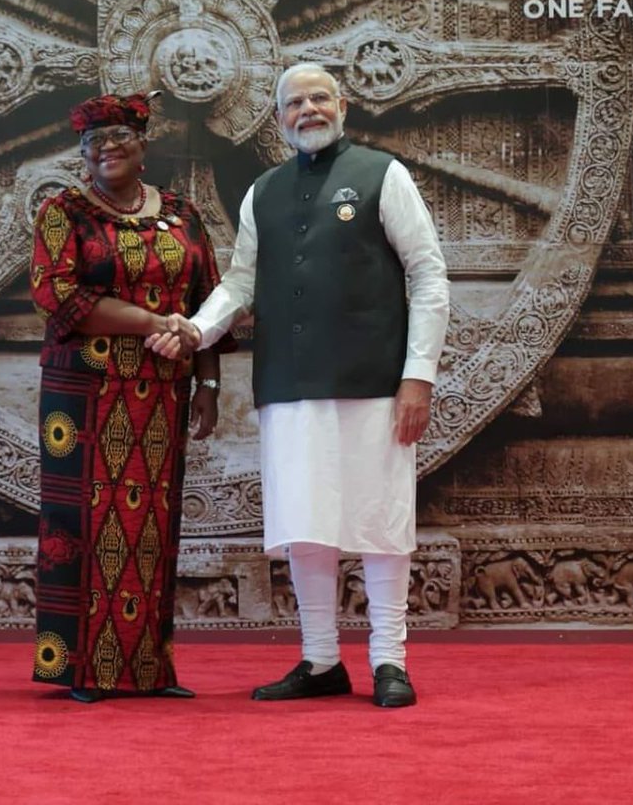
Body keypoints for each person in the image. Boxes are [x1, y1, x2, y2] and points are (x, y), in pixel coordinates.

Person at [148, 63, 449, 707]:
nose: (307, 110)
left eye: (318, 98)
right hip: (287, 380)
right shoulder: (264, 190)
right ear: (279, 117)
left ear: (343, 104)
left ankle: (389, 662)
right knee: (305, 521)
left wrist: (418, 377)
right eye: (294, 103)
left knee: (380, 518)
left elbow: (428, 276)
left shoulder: (381, 175)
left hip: (376, 379)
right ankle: (319, 661)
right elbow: (241, 282)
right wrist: (197, 330)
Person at [30, 90, 231, 703]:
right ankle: (84, 671)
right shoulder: (63, 212)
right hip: (86, 393)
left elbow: (209, 299)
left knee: (152, 527)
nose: (106, 151)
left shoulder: (182, 214)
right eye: (94, 144)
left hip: (163, 396)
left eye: (119, 140)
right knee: (86, 524)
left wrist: (210, 382)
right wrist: (158, 324)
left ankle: (149, 670)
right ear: (83, 155)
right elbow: (59, 298)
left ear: (144, 148)